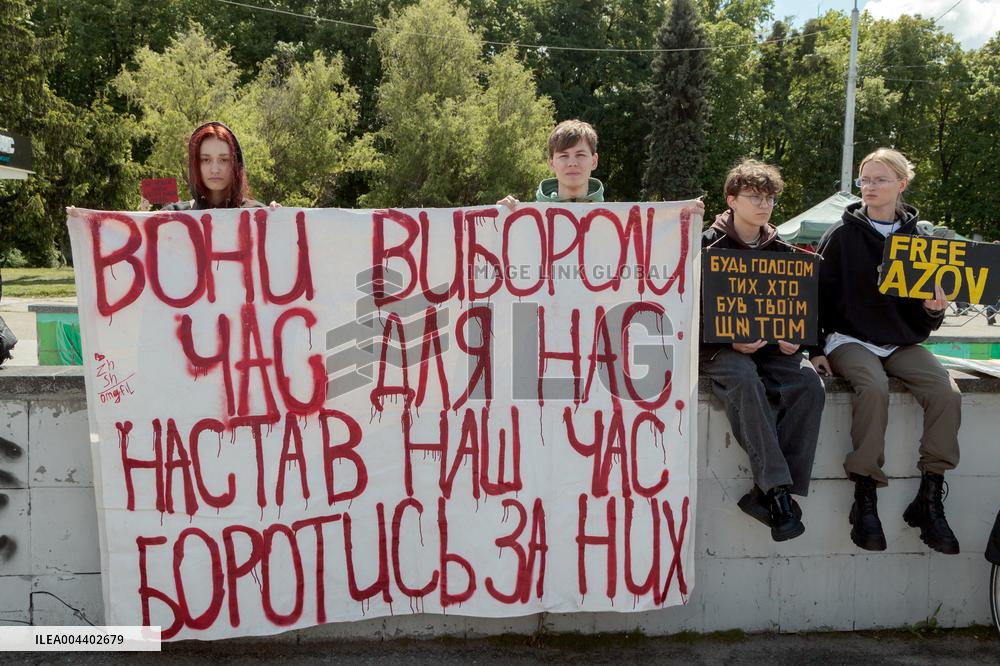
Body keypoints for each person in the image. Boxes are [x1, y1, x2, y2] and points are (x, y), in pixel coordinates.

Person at [809, 147, 961, 554]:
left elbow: (925, 314)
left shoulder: (920, 240)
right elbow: (813, 296)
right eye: (865, 179)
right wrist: (814, 347)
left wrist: (933, 311)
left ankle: (930, 494)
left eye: (879, 179)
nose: (870, 187)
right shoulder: (841, 235)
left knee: (946, 391)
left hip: (900, 340)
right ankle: (865, 494)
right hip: (849, 338)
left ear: (901, 184)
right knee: (873, 387)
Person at [700, 159, 824, 542]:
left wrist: (797, 339)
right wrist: (727, 339)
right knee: (743, 377)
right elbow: (685, 310)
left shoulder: (784, 252)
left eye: (769, 198)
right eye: (754, 196)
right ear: (732, 200)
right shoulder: (703, 247)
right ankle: (777, 493)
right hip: (719, 351)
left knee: (809, 384)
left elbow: (799, 309)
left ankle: (768, 492)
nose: (764, 205)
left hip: (770, 348)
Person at [140, 121, 274, 211]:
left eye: (223, 160)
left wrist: (280, 219)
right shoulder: (175, 215)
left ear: (235, 164)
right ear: (195, 165)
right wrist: (142, 220)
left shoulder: (257, 215)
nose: (215, 169)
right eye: (205, 160)